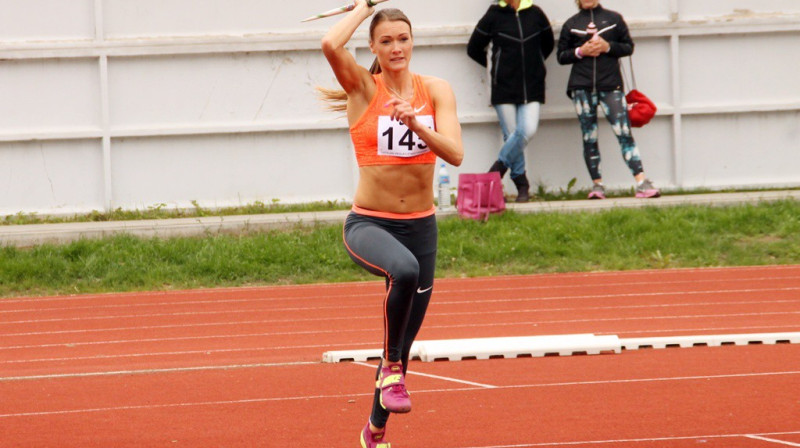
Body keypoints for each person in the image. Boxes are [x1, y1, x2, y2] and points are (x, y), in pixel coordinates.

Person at [319, 1, 464, 447]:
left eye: (403, 38)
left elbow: (456, 154)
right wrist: (363, 7)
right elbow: (329, 42)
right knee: (403, 272)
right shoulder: (363, 87)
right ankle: (394, 372)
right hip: (370, 225)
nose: (396, 47)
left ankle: (374, 431)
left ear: (413, 42)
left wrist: (416, 124)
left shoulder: (435, 90)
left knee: (398, 343)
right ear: (373, 47)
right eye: (386, 41)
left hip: (422, 230)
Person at [557, 0, 660, 199]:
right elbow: (561, 55)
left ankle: (642, 182)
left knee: (624, 132)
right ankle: (597, 186)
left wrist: (607, 47)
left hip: (611, 85)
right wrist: (581, 51)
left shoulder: (614, 18)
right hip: (581, 87)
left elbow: (628, 47)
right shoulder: (571, 24)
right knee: (589, 137)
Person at [467, 0, 554, 202]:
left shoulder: (536, 14)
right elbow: (473, 48)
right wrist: (496, 69)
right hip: (503, 88)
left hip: (532, 87)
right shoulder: (493, 15)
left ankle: (495, 173)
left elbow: (548, 44)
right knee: (512, 136)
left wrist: (535, 66)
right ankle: (522, 186)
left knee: (526, 131)